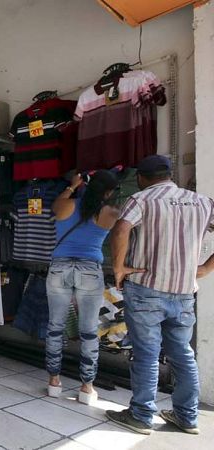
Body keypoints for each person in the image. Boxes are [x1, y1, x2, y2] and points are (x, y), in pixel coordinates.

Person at [107, 155, 214, 435]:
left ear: (141, 178)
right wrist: (205, 268)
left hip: (146, 290)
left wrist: (118, 268)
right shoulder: (202, 202)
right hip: (184, 292)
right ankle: (187, 417)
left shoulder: (141, 199)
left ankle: (142, 415)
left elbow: (121, 228)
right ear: (169, 174)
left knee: (146, 354)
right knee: (183, 355)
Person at [45, 170, 120, 404]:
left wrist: (72, 186)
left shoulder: (65, 205)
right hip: (90, 270)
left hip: (59, 268)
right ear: (108, 192)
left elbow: (56, 205)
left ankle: (54, 381)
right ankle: (87, 387)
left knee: (55, 326)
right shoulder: (111, 212)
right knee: (88, 331)